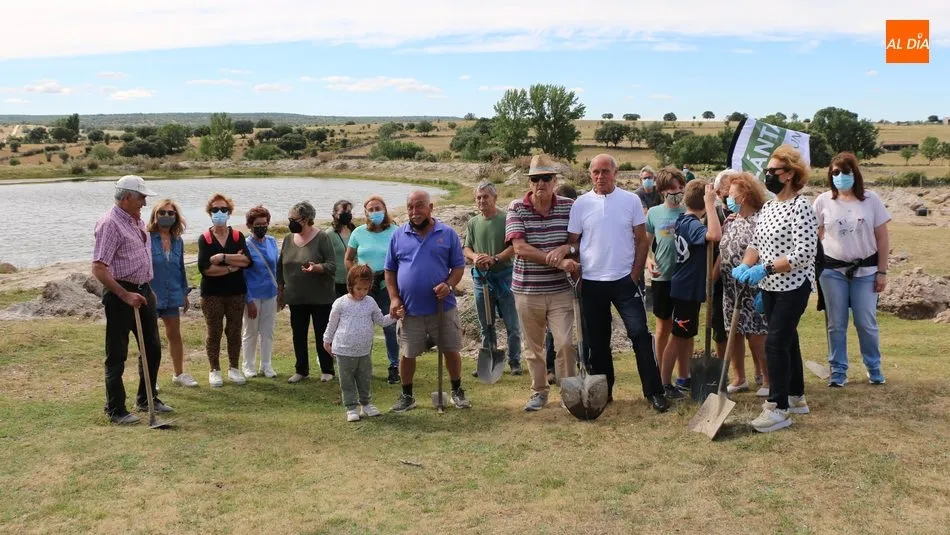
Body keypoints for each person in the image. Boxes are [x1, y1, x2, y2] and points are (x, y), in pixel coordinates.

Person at [565, 154, 668, 411]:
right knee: (598, 343)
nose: (600, 177)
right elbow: (573, 242)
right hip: (591, 282)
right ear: (590, 174)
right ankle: (604, 393)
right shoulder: (581, 204)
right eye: (595, 172)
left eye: (605, 171)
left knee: (640, 336)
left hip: (624, 281)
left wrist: (634, 275)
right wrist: (575, 266)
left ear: (615, 172)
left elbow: (642, 240)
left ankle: (654, 392)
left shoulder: (630, 200)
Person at [733, 145, 818, 433]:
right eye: (766, 171)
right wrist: (746, 267)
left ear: (790, 174)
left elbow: (804, 253)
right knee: (787, 339)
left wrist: (765, 268)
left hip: (794, 285)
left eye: (774, 171)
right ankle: (796, 396)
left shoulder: (801, 207)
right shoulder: (768, 207)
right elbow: (755, 245)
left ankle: (777, 407)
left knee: (775, 343)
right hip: (769, 287)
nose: (768, 176)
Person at [93, 175, 171, 424]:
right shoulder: (110, 224)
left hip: (143, 291)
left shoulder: (136, 221)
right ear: (127, 197)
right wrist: (125, 294)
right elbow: (99, 268)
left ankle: (146, 398)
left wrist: (147, 288)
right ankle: (115, 409)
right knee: (117, 353)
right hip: (121, 295)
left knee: (152, 349)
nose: (145, 204)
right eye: (142, 198)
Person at [386, 190, 472, 412]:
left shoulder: (448, 233)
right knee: (408, 352)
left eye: (420, 206)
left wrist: (450, 285)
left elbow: (459, 266)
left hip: (442, 308)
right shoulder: (398, 235)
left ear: (431, 207)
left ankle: (456, 390)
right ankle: (407, 396)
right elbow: (390, 270)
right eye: (410, 207)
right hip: (409, 309)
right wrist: (394, 298)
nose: (415, 212)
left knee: (451, 349)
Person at [813, 152, 890, 387]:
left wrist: (882, 271)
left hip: (865, 272)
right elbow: (813, 236)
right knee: (836, 323)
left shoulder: (871, 200)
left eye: (844, 172)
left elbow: (883, 239)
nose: (840, 177)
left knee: (865, 321)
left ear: (854, 174)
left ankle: (873, 367)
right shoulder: (823, 201)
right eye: (835, 172)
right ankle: (838, 371)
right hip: (832, 271)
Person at [323, 265, 401, 422]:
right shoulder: (340, 303)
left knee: (364, 379)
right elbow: (332, 324)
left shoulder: (370, 302)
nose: (362, 292)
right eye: (358, 288)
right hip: (344, 350)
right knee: (347, 380)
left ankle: (366, 404)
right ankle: (351, 407)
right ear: (350, 285)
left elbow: (381, 321)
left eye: (366, 289)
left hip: (364, 351)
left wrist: (395, 316)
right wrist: (327, 340)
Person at [718, 173, 770, 396]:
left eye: (732, 195)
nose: (728, 199)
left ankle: (769, 380)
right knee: (734, 332)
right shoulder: (732, 220)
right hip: (731, 288)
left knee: (757, 335)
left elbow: (767, 253)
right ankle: (739, 378)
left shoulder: (761, 219)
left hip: (754, 286)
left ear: (746, 195)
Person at [464, 180, 522, 376]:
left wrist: (495, 258)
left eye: (485, 197)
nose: (482, 201)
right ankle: (489, 357)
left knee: (512, 324)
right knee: (485, 323)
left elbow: (515, 247)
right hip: (481, 280)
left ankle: (515, 361)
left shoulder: (507, 219)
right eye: (478, 197)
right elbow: (467, 247)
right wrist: (475, 257)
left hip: (505, 278)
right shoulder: (473, 222)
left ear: (494, 198)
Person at [278, 201, 338, 384]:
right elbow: (280, 266)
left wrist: (318, 268)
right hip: (296, 297)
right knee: (298, 334)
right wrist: (280, 289)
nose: (290, 222)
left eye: (293, 219)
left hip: (320, 297)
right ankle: (301, 370)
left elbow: (332, 265)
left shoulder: (322, 238)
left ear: (305, 219)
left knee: (322, 334)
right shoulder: (288, 239)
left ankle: (327, 369)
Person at [197, 193, 253, 387]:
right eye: (215, 210)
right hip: (212, 294)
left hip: (236, 292)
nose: (219, 213)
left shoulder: (238, 236)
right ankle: (214, 370)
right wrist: (231, 266)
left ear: (229, 213)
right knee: (214, 332)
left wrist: (221, 257)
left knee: (235, 330)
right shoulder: (204, 238)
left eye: (223, 209)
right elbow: (205, 269)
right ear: (209, 213)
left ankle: (234, 368)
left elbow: (247, 261)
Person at [346, 195, 401, 384]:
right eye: (371, 209)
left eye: (378, 208)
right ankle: (362, 367)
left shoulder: (396, 231)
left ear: (384, 210)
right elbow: (349, 258)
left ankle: (394, 366)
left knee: (390, 327)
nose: (375, 212)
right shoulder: (358, 233)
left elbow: (403, 258)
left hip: (387, 286)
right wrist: (356, 276)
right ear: (366, 213)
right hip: (364, 288)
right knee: (363, 327)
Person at [147, 199, 197, 388]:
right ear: (154, 215)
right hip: (151, 294)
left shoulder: (178, 241)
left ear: (176, 217)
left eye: (170, 213)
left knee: (174, 334)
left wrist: (184, 292)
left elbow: (180, 268)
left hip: (172, 293)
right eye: (162, 212)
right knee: (151, 339)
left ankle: (178, 374)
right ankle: (151, 378)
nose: (166, 216)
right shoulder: (146, 238)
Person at [645, 167, 687, 386]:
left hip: (684, 278)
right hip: (662, 277)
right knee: (662, 328)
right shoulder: (654, 213)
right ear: (662, 190)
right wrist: (648, 261)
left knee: (683, 328)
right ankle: (662, 374)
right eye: (672, 188)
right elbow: (647, 242)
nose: (677, 192)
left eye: (680, 187)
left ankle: (683, 374)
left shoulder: (689, 211)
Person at [545, 183, 578, 384]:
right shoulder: (551, 220)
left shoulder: (574, 219)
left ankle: (583, 364)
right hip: (553, 280)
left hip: (576, 278)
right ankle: (551, 368)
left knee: (579, 328)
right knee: (553, 331)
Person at [241, 205, 279, 378]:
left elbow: (276, 267)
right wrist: (248, 300)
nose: (262, 226)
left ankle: (266, 364)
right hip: (253, 295)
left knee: (268, 331)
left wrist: (280, 291)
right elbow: (242, 274)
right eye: (258, 224)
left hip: (270, 293)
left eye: (264, 223)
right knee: (250, 331)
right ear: (250, 225)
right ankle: (248, 365)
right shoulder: (246, 245)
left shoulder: (272, 242)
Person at [326, 200, 355, 298]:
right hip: (335, 283)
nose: (347, 215)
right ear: (334, 214)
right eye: (343, 213)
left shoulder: (355, 232)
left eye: (349, 212)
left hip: (354, 281)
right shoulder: (328, 234)